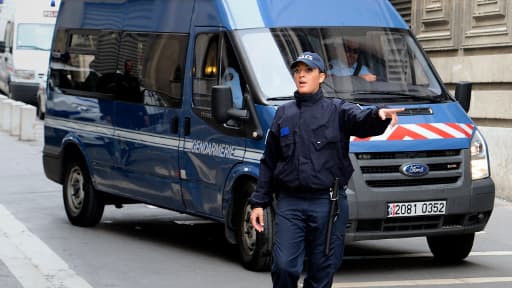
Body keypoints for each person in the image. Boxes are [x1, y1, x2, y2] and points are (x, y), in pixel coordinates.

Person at [248, 52, 403, 288]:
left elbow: (361, 120)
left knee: (323, 269)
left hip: (327, 203)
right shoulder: (284, 114)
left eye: (308, 71)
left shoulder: (337, 110)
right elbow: (269, 161)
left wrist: (378, 115)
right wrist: (259, 202)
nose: (301, 75)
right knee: (284, 266)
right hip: (291, 202)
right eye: (298, 71)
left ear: (321, 77)